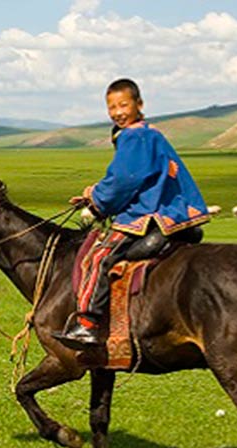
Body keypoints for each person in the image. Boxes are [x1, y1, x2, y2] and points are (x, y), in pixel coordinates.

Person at [54, 78, 210, 350]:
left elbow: (125, 180)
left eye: (123, 105)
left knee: (100, 256)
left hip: (149, 213)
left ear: (139, 105)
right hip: (170, 210)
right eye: (111, 107)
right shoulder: (149, 133)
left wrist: (98, 201)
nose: (117, 112)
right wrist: (94, 193)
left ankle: (88, 324)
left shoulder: (133, 136)